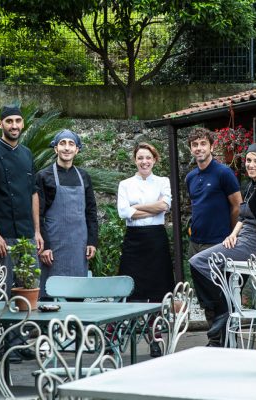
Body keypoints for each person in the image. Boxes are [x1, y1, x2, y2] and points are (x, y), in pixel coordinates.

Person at [189, 142, 256, 346]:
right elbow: (243, 216)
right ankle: (224, 327)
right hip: (242, 237)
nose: (251, 165)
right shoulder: (252, 184)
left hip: (252, 243)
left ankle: (222, 311)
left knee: (198, 262)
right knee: (221, 279)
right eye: (249, 160)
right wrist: (232, 234)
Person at [117, 143, 175, 356]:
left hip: (156, 239)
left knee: (158, 292)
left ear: (154, 160)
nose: (144, 161)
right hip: (134, 240)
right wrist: (152, 207)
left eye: (148, 158)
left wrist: (136, 208)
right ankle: (119, 336)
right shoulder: (125, 184)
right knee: (130, 289)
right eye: (140, 158)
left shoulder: (163, 181)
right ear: (135, 160)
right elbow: (123, 213)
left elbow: (164, 207)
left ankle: (154, 337)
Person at [185, 127, 242, 344]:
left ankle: (226, 338)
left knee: (219, 291)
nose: (199, 148)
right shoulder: (191, 177)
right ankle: (215, 338)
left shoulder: (223, 173)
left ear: (211, 146)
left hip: (218, 242)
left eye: (202, 144)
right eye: (195, 145)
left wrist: (230, 234)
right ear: (191, 148)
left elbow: (237, 206)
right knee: (203, 296)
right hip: (196, 242)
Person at [0, 105, 43, 288]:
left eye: (17, 121)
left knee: (31, 289)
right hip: (4, 236)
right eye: (9, 121)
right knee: (3, 291)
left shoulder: (27, 153)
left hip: (27, 236)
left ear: (23, 124)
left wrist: (37, 231)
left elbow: (33, 193)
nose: (14, 125)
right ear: (1, 124)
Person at [37, 129, 98, 297]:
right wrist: (45, 247)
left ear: (77, 149)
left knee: (76, 292)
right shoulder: (44, 176)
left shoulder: (84, 176)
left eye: (71, 144)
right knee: (50, 292)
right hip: (53, 247)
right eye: (62, 143)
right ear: (55, 148)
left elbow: (91, 211)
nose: (66, 148)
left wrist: (92, 241)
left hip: (79, 246)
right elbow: (37, 215)